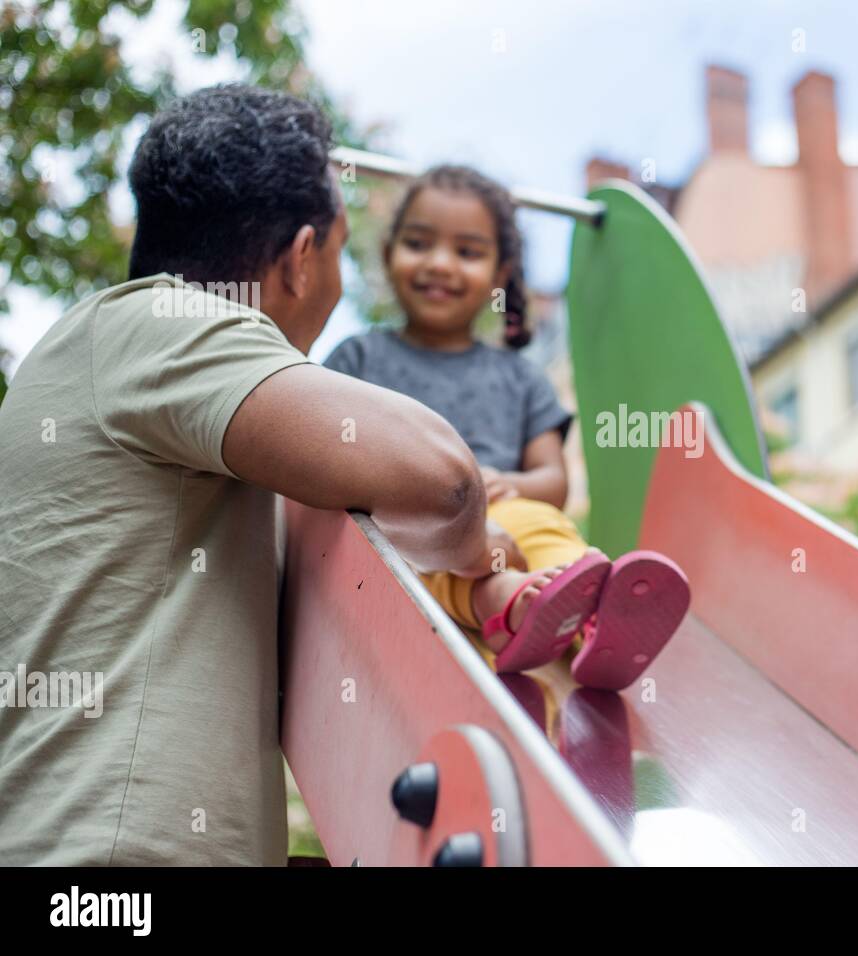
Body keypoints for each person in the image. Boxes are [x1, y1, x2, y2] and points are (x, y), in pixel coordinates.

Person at [0, 85, 515, 865]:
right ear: (301, 260)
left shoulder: (124, 371)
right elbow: (442, 478)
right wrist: (483, 556)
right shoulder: (162, 325)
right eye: (340, 256)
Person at [323, 165, 690, 692]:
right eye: (419, 243)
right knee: (446, 556)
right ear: (388, 253)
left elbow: (554, 482)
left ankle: (592, 620)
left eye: (468, 252)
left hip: (506, 512)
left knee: (545, 529)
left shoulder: (520, 376)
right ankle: (522, 607)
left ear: (500, 273)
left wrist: (507, 484)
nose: (440, 264)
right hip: (407, 527)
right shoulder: (359, 356)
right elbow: (329, 452)